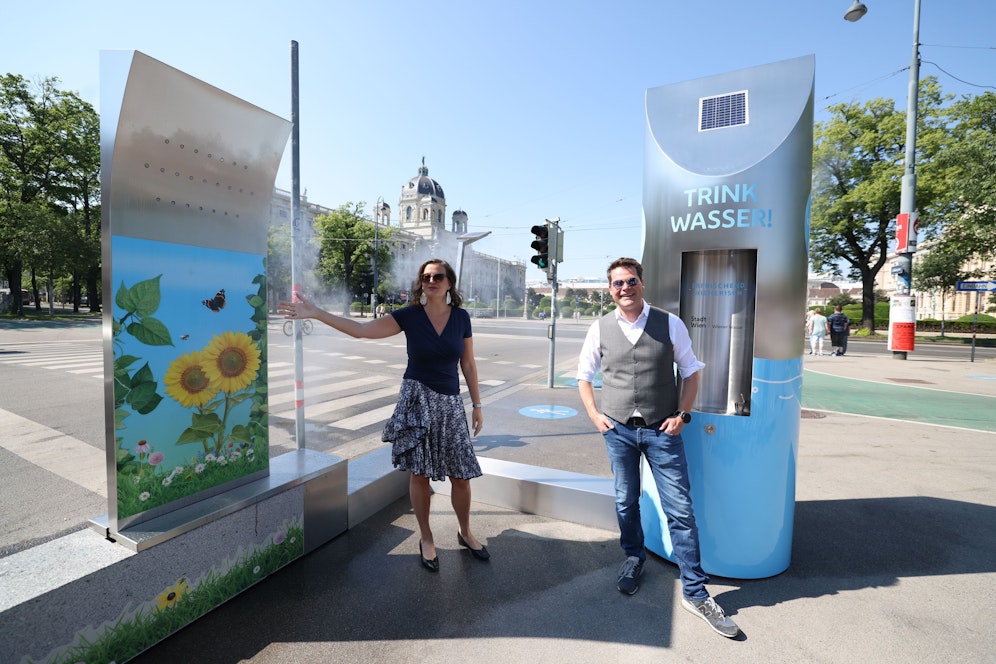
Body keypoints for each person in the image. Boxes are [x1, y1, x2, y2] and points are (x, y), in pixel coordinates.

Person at [277, 259, 489, 572]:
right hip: (416, 400)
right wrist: (318, 313)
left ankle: (465, 531)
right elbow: (362, 331)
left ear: (449, 282)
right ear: (421, 282)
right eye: (426, 277)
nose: (431, 281)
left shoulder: (461, 317)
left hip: (449, 404)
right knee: (419, 474)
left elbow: (468, 364)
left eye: (437, 276)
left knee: (461, 475)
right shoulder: (409, 316)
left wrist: (477, 404)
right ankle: (426, 537)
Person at [576, 257, 740, 639]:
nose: (625, 288)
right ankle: (634, 557)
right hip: (618, 429)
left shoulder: (670, 323)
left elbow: (691, 371)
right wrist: (595, 416)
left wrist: (683, 415)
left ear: (642, 283)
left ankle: (695, 593)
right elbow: (584, 376)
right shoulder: (600, 328)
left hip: (662, 431)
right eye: (618, 283)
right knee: (625, 501)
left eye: (631, 281)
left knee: (679, 510)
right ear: (610, 289)